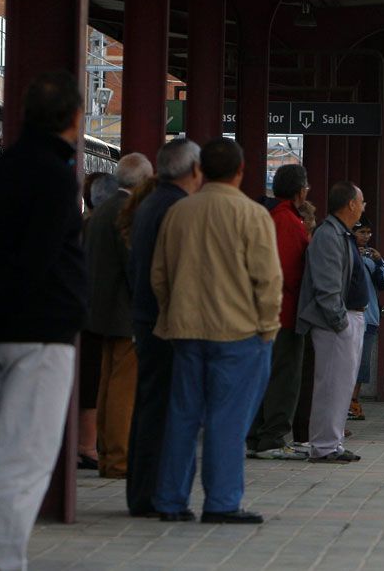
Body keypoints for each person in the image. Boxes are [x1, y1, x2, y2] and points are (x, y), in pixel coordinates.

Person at [0, 70, 87, 570]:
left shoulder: (3, 168)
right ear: (74, 118)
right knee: (24, 461)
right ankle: (2, 562)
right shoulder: (54, 177)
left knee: (1, 453)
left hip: (4, 335)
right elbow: (39, 258)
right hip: (41, 335)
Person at [150, 137, 282, 524]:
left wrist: (171, 314)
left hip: (186, 331)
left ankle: (171, 501)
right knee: (228, 420)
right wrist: (267, 327)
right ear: (241, 171)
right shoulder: (252, 215)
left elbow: (159, 275)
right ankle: (222, 502)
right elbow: (268, 279)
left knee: (182, 417)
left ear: (200, 170)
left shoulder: (179, 212)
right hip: (240, 333)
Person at [124, 138, 203, 517]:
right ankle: (155, 493)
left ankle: (142, 491)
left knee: (150, 406)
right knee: (168, 409)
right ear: (194, 170)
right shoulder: (176, 208)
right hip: (167, 323)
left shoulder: (150, 203)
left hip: (147, 317)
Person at [84, 153, 153, 479]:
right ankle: (119, 459)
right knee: (124, 389)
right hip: (126, 315)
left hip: (101, 313)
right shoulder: (129, 212)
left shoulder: (101, 211)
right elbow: (133, 266)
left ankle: (108, 453)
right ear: (142, 182)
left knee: (107, 385)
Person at [297, 181, 368, 464]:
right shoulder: (329, 235)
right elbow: (326, 285)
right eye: (361, 202)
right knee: (331, 384)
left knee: (342, 384)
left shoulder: (342, 233)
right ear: (351, 204)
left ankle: (332, 441)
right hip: (336, 323)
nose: (363, 207)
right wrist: (340, 322)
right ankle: (324, 445)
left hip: (349, 318)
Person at [246, 164, 312, 460]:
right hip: (284, 312)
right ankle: (273, 437)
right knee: (284, 377)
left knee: (265, 375)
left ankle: (257, 435)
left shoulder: (271, 216)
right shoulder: (287, 220)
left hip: (267, 311)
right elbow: (286, 271)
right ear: (301, 191)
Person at [78, 172, 117, 470]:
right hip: (100, 315)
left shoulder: (83, 226)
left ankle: (87, 443)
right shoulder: (106, 225)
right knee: (96, 379)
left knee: (91, 379)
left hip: (83, 313)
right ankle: (88, 445)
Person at [349, 220, 384, 421]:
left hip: (369, 318)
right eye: (361, 232)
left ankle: (353, 400)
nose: (366, 236)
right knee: (348, 363)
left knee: (362, 363)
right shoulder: (345, 252)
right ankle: (347, 402)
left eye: (368, 232)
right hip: (348, 317)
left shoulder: (371, 257)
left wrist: (379, 261)